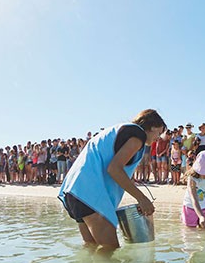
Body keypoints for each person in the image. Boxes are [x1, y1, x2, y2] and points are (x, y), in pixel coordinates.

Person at [58, 109, 166, 254]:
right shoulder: (137, 135)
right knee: (109, 250)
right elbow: (114, 169)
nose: (158, 138)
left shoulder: (119, 130)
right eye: (159, 133)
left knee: (91, 247)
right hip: (90, 194)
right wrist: (142, 199)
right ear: (152, 126)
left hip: (74, 192)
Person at [181, 151, 205, 228]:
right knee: (190, 233)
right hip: (190, 207)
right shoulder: (192, 178)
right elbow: (193, 199)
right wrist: (201, 216)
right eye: (203, 172)